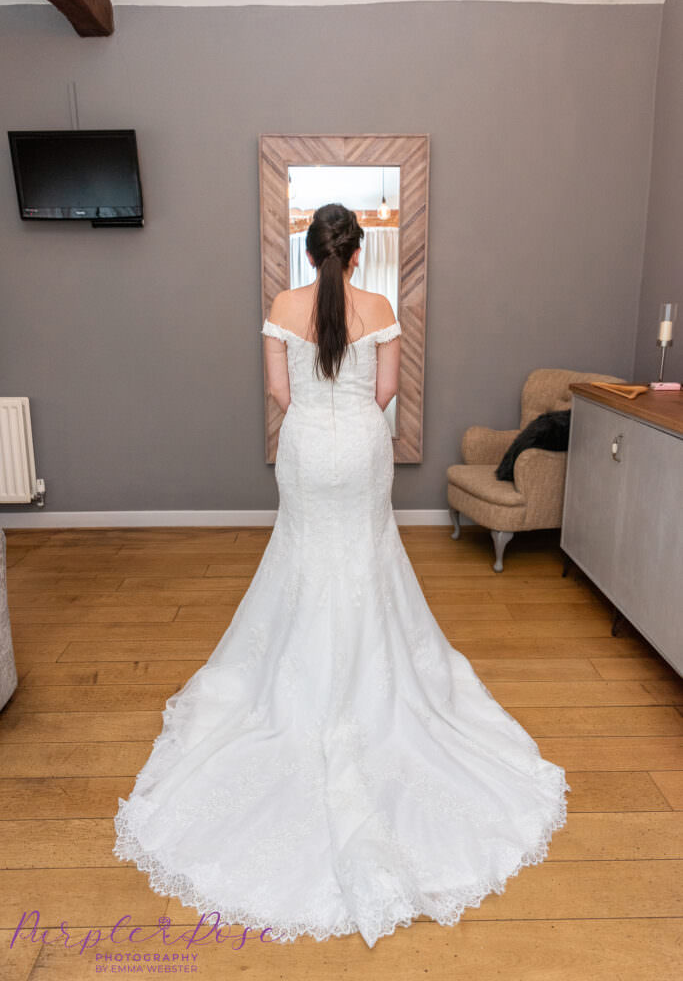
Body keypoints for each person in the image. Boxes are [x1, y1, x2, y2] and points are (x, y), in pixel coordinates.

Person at [113, 203, 570, 949]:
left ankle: (294, 686)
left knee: (301, 556)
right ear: (356, 255)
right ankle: (370, 680)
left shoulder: (283, 306)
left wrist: (316, 419)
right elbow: (385, 393)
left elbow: (280, 393)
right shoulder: (380, 306)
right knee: (364, 559)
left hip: (305, 447)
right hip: (361, 446)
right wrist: (348, 416)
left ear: (311, 251)